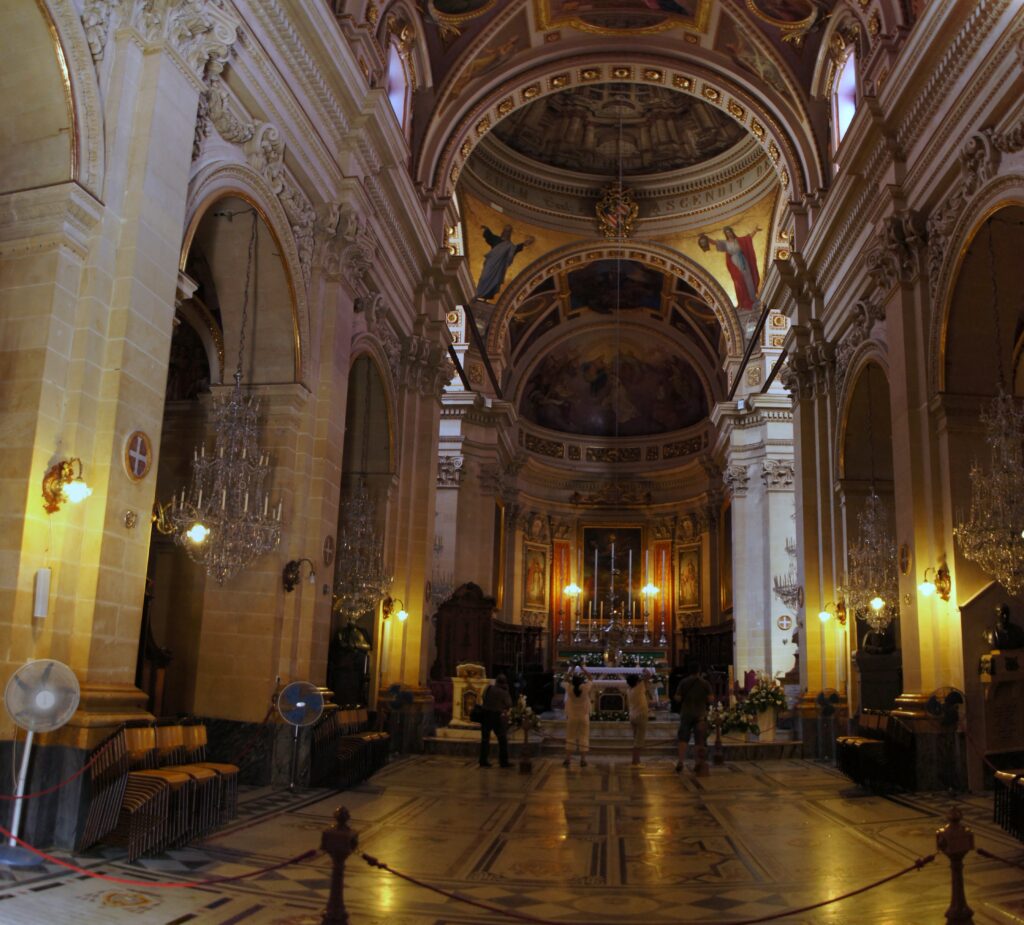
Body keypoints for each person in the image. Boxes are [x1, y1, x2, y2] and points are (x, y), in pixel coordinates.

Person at [698, 226, 762, 311]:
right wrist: (706, 238)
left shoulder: (739, 240)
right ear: (726, 234)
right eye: (727, 233)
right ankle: (744, 301)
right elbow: (715, 242)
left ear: (732, 232)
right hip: (734, 262)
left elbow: (748, 238)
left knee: (748, 278)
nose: (729, 234)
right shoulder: (725, 243)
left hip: (743, 260)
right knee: (739, 281)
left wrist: (755, 230)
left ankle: (753, 298)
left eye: (730, 232)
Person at [474, 225, 535, 301]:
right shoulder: (496, 240)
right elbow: (489, 236)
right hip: (491, 262)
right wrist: (486, 229)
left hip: (500, 266)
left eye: (508, 232)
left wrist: (524, 243)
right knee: (484, 276)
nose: (506, 233)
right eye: (505, 231)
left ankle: (487, 296)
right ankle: (478, 293)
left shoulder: (510, 246)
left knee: (495, 280)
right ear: (502, 232)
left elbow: (516, 248)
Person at [673, 661, 713, 776]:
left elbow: (678, 698)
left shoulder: (684, 682)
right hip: (700, 714)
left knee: (683, 738)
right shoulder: (705, 683)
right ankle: (698, 763)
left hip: (686, 713)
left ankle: (680, 761)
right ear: (699, 671)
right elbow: (710, 699)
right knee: (699, 740)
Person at [562, 665, 593, 768]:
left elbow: (565, 679)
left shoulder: (570, 688)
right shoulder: (585, 688)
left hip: (572, 716)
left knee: (570, 737)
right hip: (583, 716)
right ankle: (583, 760)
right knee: (584, 737)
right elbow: (590, 678)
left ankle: (567, 759)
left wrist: (571, 669)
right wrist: (583, 669)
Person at [479, 673, 512, 768]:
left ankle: (483, 760)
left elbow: (483, 697)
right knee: (502, 739)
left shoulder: (488, 688)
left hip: (485, 714)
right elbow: (509, 704)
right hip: (496, 716)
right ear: (504, 683)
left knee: (485, 739)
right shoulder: (503, 692)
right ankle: (503, 762)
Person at [625, 669, 655, 767]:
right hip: (640, 716)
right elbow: (649, 675)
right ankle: (635, 762)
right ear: (637, 682)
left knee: (636, 739)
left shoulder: (629, 690)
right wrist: (645, 670)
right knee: (639, 741)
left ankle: (637, 760)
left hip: (632, 716)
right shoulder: (639, 688)